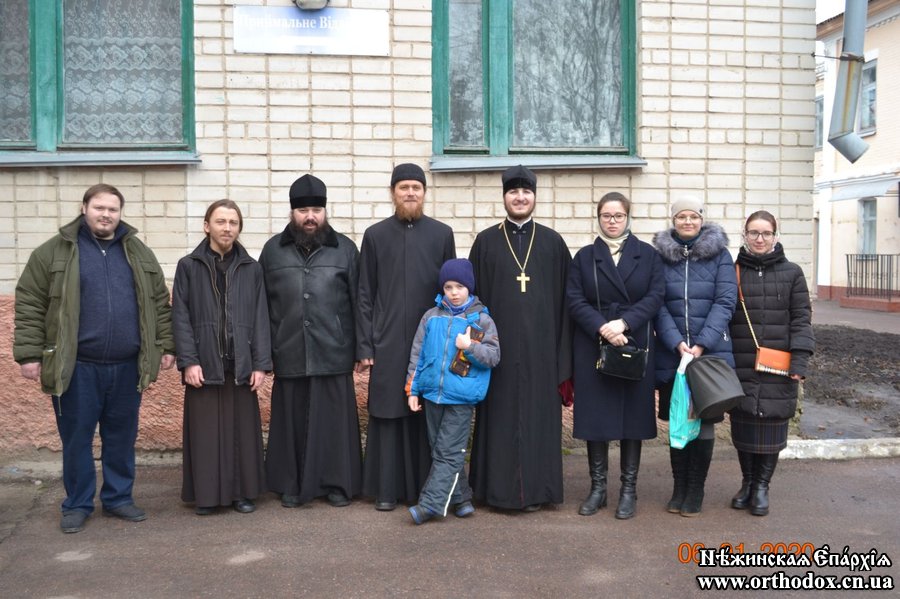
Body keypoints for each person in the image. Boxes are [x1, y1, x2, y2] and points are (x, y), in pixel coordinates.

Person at [13, 183, 175, 534]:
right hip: (77, 367)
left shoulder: (138, 253)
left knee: (121, 437)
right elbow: (29, 303)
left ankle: (118, 499)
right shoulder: (54, 253)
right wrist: (28, 353)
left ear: (120, 213)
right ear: (84, 208)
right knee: (76, 438)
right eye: (99, 207)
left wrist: (166, 346)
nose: (106, 215)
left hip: (126, 366)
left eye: (113, 209)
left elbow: (159, 304)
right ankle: (78, 504)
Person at [468, 165, 573, 512]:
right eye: (513, 192)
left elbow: (566, 305)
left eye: (526, 192)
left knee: (538, 421)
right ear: (504, 197)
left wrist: (563, 361)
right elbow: (473, 303)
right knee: (498, 420)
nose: (520, 197)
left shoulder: (553, 243)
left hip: (542, 353)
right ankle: (494, 491)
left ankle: (539, 491)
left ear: (534, 197)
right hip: (498, 353)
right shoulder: (485, 242)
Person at [356, 163, 456, 511]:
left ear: (425, 193)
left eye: (416, 187)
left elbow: (452, 290)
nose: (410, 193)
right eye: (404, 187)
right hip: (386, 340)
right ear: (393, 192)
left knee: (424, 413)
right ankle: (385, 491)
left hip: (429, 340)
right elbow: (364, 293)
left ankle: (422, 490)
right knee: (387, 412)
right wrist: (365, 345)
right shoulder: (375, 235)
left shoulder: (442, 234)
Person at [260, 175, 362, 508]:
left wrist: (363, 348)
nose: (310, 217)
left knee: (333, 423)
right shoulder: (273, 251)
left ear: (325, 210)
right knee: (291, 424)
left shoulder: (345, 248)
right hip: (288, 349)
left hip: (333, 349)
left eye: (316, 209)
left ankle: (336, 483)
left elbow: (360, 301)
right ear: (292, 212)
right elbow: (262, 306)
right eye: (303, 210)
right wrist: (265, 351)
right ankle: (291, 483)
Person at [566, 192, 665, 519]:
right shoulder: (584, 256)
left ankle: (628, 490)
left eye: (618, 215)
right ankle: (598, 489)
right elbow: (574, 299)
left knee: (631, 419)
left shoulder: (648, 255)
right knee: (597, 418)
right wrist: (603, 328)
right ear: (599, 218)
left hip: (633, 341)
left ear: (627, 217)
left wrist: (624, 323)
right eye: (606, 215)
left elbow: (655, 296)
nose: (612, 220)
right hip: (594, 344)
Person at [172, 200, 271, 515]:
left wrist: (260, 364)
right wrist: (188, 360)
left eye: (233, 222)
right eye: (220, 221)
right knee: (206, 435)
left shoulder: (252, 268)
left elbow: (260, 317)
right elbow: (181, 317)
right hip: (204, 363)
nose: (227, 228)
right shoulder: (189, 266)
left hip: (240, 364)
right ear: (206, 226)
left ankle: (243, 493)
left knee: (242, 434)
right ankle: (208, 496)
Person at [653, 195, 737, 517]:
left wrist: (702, 342)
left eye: (693, 216)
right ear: (673, 220)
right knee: (678, 421)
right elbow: (657, 302)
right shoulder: (661, 257)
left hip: (708, 355)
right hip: (673, 356)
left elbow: (725, 300)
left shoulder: (720, 256)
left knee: (703, 423)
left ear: (702, 219)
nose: (687, 222)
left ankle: (696, 489)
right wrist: (675, 342)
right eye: (681, 217)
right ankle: (678, 488)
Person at [728, 210, 814, 517]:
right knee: (743, 426)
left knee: (772, 428)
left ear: (775, 236)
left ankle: (762, 486)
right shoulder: (733, 270)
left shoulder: (792, 272)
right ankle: (747, 483)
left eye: (766, 233)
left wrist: (800, 361)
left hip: (780, 365)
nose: (760, 239)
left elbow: (801, 319)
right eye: (754, 233)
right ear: (745, 235)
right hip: (742, 362)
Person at [406, 259, 501, 524]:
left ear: (469, 288)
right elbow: (418, 355)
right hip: (431, 394)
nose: (454, 292)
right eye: (448, 286)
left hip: (461, 397)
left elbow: (493, 357)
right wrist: (412, 390)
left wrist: (470, 346)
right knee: (442, 450)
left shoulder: (481, 319)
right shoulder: (431, 317)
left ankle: (430, 505)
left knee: (448, 452)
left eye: (459, 286)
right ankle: (462, 499)